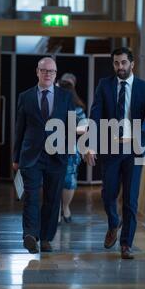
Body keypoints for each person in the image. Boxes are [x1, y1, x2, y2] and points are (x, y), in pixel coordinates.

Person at [86, 47, 145, 259]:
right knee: (108, 194)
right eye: (116, 63)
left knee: (130, 199)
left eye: (123, 63)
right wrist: (91, 145)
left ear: (132, 64)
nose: (119, 67)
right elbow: (95, 116)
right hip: (110, 148)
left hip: (134, 150)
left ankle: (126, 244)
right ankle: (113, 223)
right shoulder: (105, 85)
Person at [13, 57, 76, 254]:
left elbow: (72, 127)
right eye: (44, 70)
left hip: (57, 157)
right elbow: (19, 128)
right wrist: (16, 158)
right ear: (37, 72)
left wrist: (69, 152)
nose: (48, 74)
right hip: (31, 156)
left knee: (52, 198)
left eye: (51, 71)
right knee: (31, 196)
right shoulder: (26, 97)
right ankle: (30, 235)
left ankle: (47, 238)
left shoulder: (66, 97)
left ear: (56, 74)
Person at [58, 73, 87, 223]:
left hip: (69, 146)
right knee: (51, 179)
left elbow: (84, 126)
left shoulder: (77, 107)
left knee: (69, 180)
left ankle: (65, 208)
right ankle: (56, 209)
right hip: (52, 146)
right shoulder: (50, 101)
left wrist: (70, 129)